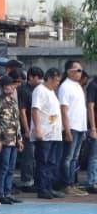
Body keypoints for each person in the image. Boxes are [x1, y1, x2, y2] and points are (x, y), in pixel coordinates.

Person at [32, 68, 64, 198]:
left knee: (51, 162)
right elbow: (35, 110)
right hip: (44, 133)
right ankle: (42, 189)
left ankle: (49, 187)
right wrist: (38, 129)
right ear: (49, 78)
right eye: (56, 80)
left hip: (54, 133)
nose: (57, 83)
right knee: (43, 162)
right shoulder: (40, 90)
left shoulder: (51, 91)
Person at [57, 59, 88, 195]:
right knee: (67, 157)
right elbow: (64, 110)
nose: (80, 73)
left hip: (80, 127)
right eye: (78, 70)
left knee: (75, 158)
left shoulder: (78, 86)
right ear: (69, 71)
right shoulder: (65, 87)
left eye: (81, 70)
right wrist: (67, 129)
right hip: (71, 127)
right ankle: (66, 184)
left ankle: (72, 183)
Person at [0, 75, 23, 205]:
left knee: (11, 168)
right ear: (1, 87)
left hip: (14, 139)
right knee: (3, 167)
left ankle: (8, 192)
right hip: (4, 139)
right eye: (7, 86)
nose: (10, 88)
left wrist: (20, 139)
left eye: (11, 85)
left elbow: (17, 121)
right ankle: (0, 194)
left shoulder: (13, 101)